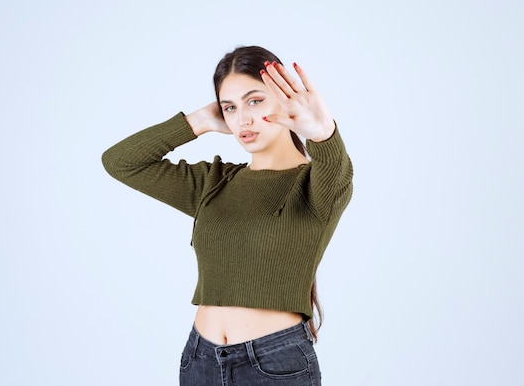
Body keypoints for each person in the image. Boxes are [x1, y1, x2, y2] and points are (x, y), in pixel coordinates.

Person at [102, 45, 353, 385]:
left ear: (285, 98)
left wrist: (324, 132)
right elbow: (121, 162)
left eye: (255, 101)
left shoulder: (315, 185)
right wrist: (199, 121)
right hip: (200, 360)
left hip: (275, 365)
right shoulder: (215, 182)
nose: (242, 119)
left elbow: (336, 166)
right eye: (229, 107)